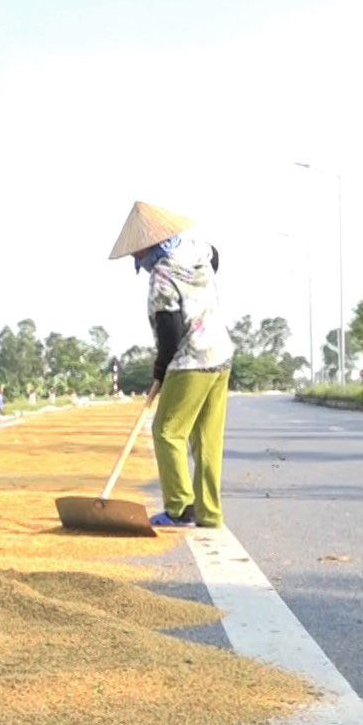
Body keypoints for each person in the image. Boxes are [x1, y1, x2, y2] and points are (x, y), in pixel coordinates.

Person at [107, 201, 235, 530]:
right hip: (220, 355)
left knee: (167, 431)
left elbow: (170, 330)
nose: (138, 260)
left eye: (138, 253)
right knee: (208, 439)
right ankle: (209, 513)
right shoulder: (199, 250)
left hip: (191, 360)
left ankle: (179, 508)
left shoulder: (162, 275)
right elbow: (216, 257)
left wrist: (161, 369)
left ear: (149, 246)